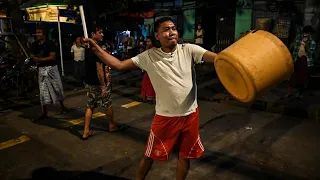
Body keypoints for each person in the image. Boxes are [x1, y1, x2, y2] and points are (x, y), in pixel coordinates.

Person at [84, 17, 217, 180]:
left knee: (185, 156)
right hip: (165, 118)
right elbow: (118, 65)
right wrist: (96, 49)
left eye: (173, 28)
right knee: (149, 156)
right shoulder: (149, 56)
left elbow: (218, 59)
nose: (171, 32)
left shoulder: (189, 50)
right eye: (166, 29)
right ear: (157, 35)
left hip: (190, 116)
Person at [82, 25, 122, 140]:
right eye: (100, 32)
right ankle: (111, 125)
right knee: (107, 104)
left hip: (89, 82)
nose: (102, 34)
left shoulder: (87, 48)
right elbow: (99, 69)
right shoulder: (97, 50)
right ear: (93, 34)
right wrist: (104, 85)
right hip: (97, 83)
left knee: (90, 105)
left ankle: (85, 131)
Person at [30, 25, 67, 120]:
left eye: (39, 32)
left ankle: (63, 106)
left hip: (51, 68)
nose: (37, 34)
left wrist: (39, 59)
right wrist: (34, 57)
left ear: (44, 33)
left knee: (57, 87)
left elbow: (52, 57)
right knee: (42, 91)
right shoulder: (35, 44)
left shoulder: (50, 43)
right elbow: (32, 54)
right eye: (36, 32)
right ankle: (44, 112)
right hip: (42, 69)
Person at [284, 25, 316, 99]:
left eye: (307, 33)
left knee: (303, 79)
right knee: (293, 77)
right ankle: (289, 93)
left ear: (310, 34)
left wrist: (305, 46)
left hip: (305, 63)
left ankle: (299, 93)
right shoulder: (298, 38)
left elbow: (310, 53)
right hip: (297, 60)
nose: (305, 35)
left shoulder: (312, 42)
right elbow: (294, 48)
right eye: (305, 33)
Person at [139, 36, 156, 103]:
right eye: (147, 42)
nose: (148, 43)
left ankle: (149, 97)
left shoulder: (154, 49)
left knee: (150, 83)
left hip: (152, 68)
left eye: (149, 41)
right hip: (147, 68)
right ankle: (144, 96)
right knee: (145, 82)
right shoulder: (147, 48)